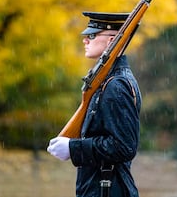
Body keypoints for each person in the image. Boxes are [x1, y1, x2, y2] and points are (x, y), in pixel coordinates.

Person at [47, 12, 142, 197]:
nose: (85, 40)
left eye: (92, 35)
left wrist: (73, 148)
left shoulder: (116, 85)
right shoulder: (107, 80)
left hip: (107, 189)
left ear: (111, 40)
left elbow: (124, 147)